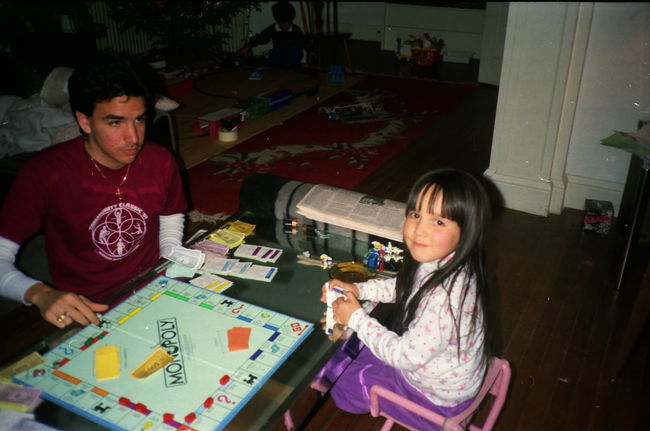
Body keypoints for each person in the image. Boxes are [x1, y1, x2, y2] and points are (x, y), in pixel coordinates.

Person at [0, 53, 188, 329]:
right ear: (84, 121)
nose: (133, 138)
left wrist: (171, 250)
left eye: (139, 119)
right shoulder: (45, 173)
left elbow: (171, 213)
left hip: (154, 284)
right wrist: (39, 293)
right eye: (115, 123)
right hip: (87, 304)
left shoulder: (160, 159)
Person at [319, 168, 492, 430]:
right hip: (447, 378)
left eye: (438, 222)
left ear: (466, 231)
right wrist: (360, 290)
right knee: (360, 345)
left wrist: (356, 317)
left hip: (434, 402)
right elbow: (404, 286)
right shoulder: (450, 261)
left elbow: (402, 357)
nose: (419, 231)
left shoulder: (444, 301)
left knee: (342, 377)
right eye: (415, 215)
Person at [237, 0, 306, 70]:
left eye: (287, 23)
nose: (285, 26)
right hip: (279, 53)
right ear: (278, 21)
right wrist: (248, 46)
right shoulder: (272, 29)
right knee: (272, 54)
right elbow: (261, 37)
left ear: (291, 21)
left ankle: (295, 72)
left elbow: (304, 40)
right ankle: (276, 74)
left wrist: (310, 50)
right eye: (283, 23)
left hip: (293, 54)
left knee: (295, 51)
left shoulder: (295, 30)